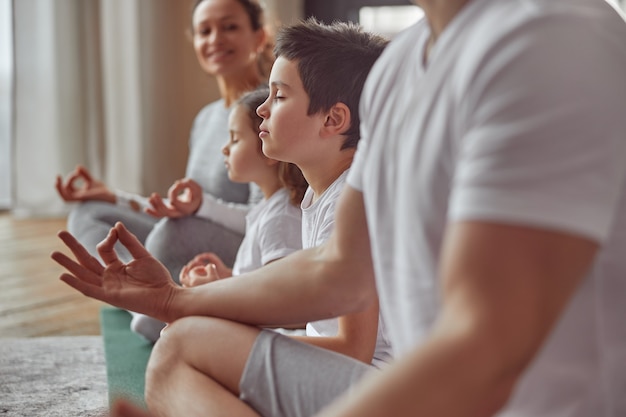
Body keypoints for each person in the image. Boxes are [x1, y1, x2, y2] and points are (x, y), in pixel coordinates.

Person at [52, 1, 626, 417]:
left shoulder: (551, 37)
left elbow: (490, 347)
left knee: (184, 347)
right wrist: (173, 299)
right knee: (181, 344)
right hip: (414, 386)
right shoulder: (400, 68)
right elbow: (337, 269)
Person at [54, 0, 273, 283]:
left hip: (240, 247)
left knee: (174, 232)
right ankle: (133, 287)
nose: (215, 39)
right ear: (194, 41)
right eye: (204, 31)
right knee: (89, 213)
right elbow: (180, 206)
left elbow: (270, 217)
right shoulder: (205, 118)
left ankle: (146, 294)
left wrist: (197, 212)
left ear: (259, 37)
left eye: (230, 27)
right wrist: (114, 197)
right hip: (185, 234)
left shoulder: (267, 110)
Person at [131, 87, 308, 341]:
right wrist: (227, 278)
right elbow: (262, 285)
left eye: (235, 139)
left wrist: (217, 294)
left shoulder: (279, 219)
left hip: (262, 340)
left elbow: (282, 306)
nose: (225, 149)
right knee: (171, 324)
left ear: (268, 147)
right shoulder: (268, 211)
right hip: (251, 326)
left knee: (174, 331)